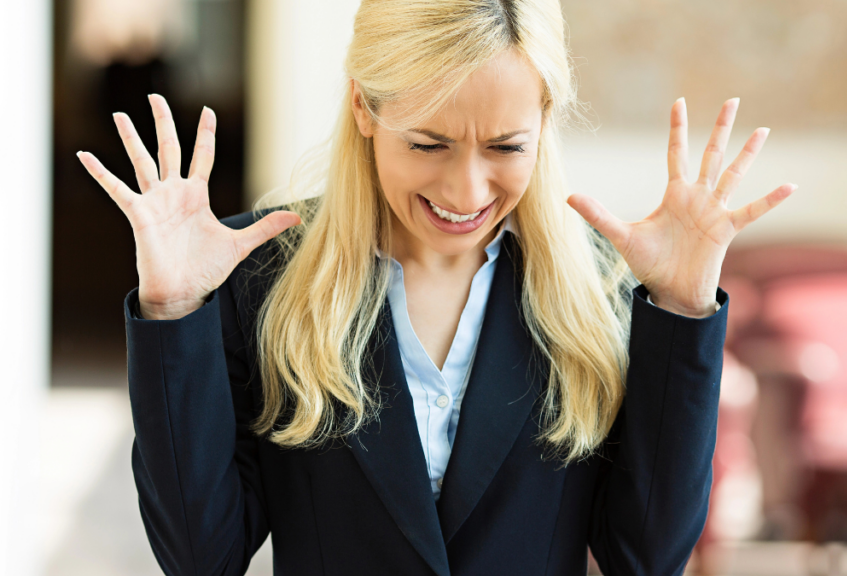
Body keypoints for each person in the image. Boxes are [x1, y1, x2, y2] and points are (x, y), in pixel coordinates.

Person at [77, 0, 794, 574]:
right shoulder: (263, 279)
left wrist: (682, 312)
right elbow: (201, 557)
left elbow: (647, 557)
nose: (467, 189)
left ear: (544, 122)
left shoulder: (599, 288)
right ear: (364, 108)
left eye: (506, 147)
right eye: (430, 144)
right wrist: (171, 313)